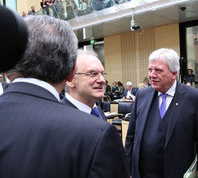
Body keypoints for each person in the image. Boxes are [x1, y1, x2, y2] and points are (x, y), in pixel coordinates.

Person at [0, 15, 129, 178]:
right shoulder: (95, 134)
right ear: (71, 73)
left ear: (8, 68)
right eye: (92, 73)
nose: (101, 80)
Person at [125, 48, 198, 178]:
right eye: (150, 70)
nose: (152, 75)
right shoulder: (142, 95)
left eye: (158, 70)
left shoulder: (194, 98)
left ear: (174, 73)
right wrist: (129, 170)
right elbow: (131, 137)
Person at [61, 49, 107, 120]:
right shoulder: (60, 118)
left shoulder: (98, 113)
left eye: (102, 74)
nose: (102, 80)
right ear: (70, 80)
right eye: (93, 73)